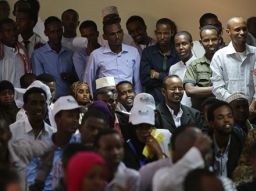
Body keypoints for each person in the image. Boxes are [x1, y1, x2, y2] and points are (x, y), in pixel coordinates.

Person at [140, 126, 212, 191]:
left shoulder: (208, 173)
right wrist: (159, 154)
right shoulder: (149, 172)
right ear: (173, 150)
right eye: (192, 151)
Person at [8, 87, 53, 190]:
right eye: (33, 103)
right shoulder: (11, 132)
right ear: (25, 107)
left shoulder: (53, 135)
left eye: (42, 103)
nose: (39, 107)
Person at [84, 14, 141, 94]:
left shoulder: (133, 52)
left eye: (119, 32)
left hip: (128, 98)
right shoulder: (96, 55)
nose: (117, 36)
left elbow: (138, 81)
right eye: (112, 34)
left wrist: (137, 100)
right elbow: (88, 81)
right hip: (106, 100)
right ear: (105, 37)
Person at [210, 17, 256, 112]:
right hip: (228, 111)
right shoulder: (219, 56)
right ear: (228, 32)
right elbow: (217, 87)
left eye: (244, 29)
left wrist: (253, 106)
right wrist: (236, 106)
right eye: (237, 30)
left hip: (254, 110)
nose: (242, 32)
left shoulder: (255, 53)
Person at [32, 16, 77, 98]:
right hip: (50, 100)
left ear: (62, 30)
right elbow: (39, 82)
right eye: (52, 32)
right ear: (46, 32)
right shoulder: (38, 54)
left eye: (59, 31)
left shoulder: (70, 53)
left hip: (69, 99)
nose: (56, 35)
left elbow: (76, 79)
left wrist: (71, 78)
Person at [124, 93, 171, 169]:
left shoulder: (164, 136)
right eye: (140, 127)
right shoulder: (127, 148)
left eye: (148, 126)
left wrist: (158, 152)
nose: (144, 131)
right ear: (133, 127)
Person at [140, 18, 179, 104]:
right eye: (159, 33)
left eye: (165, 33)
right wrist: (167, 78)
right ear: (155, 33)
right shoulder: (148, 52)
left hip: (175, 101)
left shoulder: (177, 53)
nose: (162, 37)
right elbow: (145, 80)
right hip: (153, 101)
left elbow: (179, 80)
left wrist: (157, 75)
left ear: (172, 33)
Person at [184, 25, 220, 111]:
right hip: (201, 116)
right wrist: (219, 88)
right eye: (206, 40)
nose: (210, 43)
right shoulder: (195, 65)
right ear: (201, 42)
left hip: (225, 115)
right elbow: (189, 90)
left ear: (219, 39)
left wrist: (201, 91)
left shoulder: (228, 62)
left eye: (214, 39)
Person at [207, 100, 243, 178]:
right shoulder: (203, 144)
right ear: (211, 123)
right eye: (220, 117)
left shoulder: (240, 141)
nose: (227, 120)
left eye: (230, 116)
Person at [169, 31, 197, 107]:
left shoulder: (199, 65)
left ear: (191, 45)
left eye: (184, 44)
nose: (181, 48)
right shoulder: (173, 68)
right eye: (177, 45)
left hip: (196, 111)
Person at [0, 18, 30, 87]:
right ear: (0, 34)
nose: (13, 33)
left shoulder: (23, 53)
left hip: (21, 96)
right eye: (8, 31)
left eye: (14, 30)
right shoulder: (1, 54)